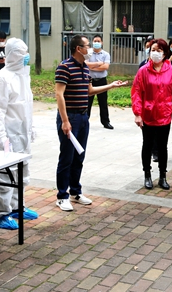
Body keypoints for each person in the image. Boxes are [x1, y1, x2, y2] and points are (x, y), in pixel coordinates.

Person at [55, 35, 128, 211]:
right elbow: (59, 94)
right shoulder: (64, 67)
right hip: (70, 117)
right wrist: (65, 121)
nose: (90, 48)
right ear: (78, 48)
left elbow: (89, 91)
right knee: (66, 157)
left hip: (83, 118)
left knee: (79, 157)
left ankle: (75, 191)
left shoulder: (85, 68)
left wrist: (111, 86)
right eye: (87, 45)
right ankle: (62, 196)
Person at [0, 38, 39, 229]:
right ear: (13, 55)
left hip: (22, 135)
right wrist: (2, 138)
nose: (26, 56)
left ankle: (17, 206)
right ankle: (1, 213)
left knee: (22, 173)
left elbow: (27, 106)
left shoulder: (23, 76)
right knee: (4, 176)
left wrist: (31, 128)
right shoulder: (1, 79)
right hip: (7, 136)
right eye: (22, 53)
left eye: (26, 52)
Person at [131, 38, 172, 190]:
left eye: (158, 50)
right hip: (148, 115)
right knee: (147, 145)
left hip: (164, 114)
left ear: (165, 53)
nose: (155, 53)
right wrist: (137, 113)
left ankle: (162, 176)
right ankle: (147, 175)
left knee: (162, 147)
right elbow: (136, 93)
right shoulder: (143, 71)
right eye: (153, 50)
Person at [86, 34, 114, 130]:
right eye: (95, 41)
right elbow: (85, 64)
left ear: (102, 42)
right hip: (90, 80)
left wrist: (92, 67)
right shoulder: (88, 53)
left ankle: (106, 122)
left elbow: (105, 67)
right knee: (87, 102)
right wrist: (98, 64)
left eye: (98, 41)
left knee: (103, 102)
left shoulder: (105, 54)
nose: (96, 43)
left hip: (102, 80)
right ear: (92, 42)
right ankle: (85, 121)